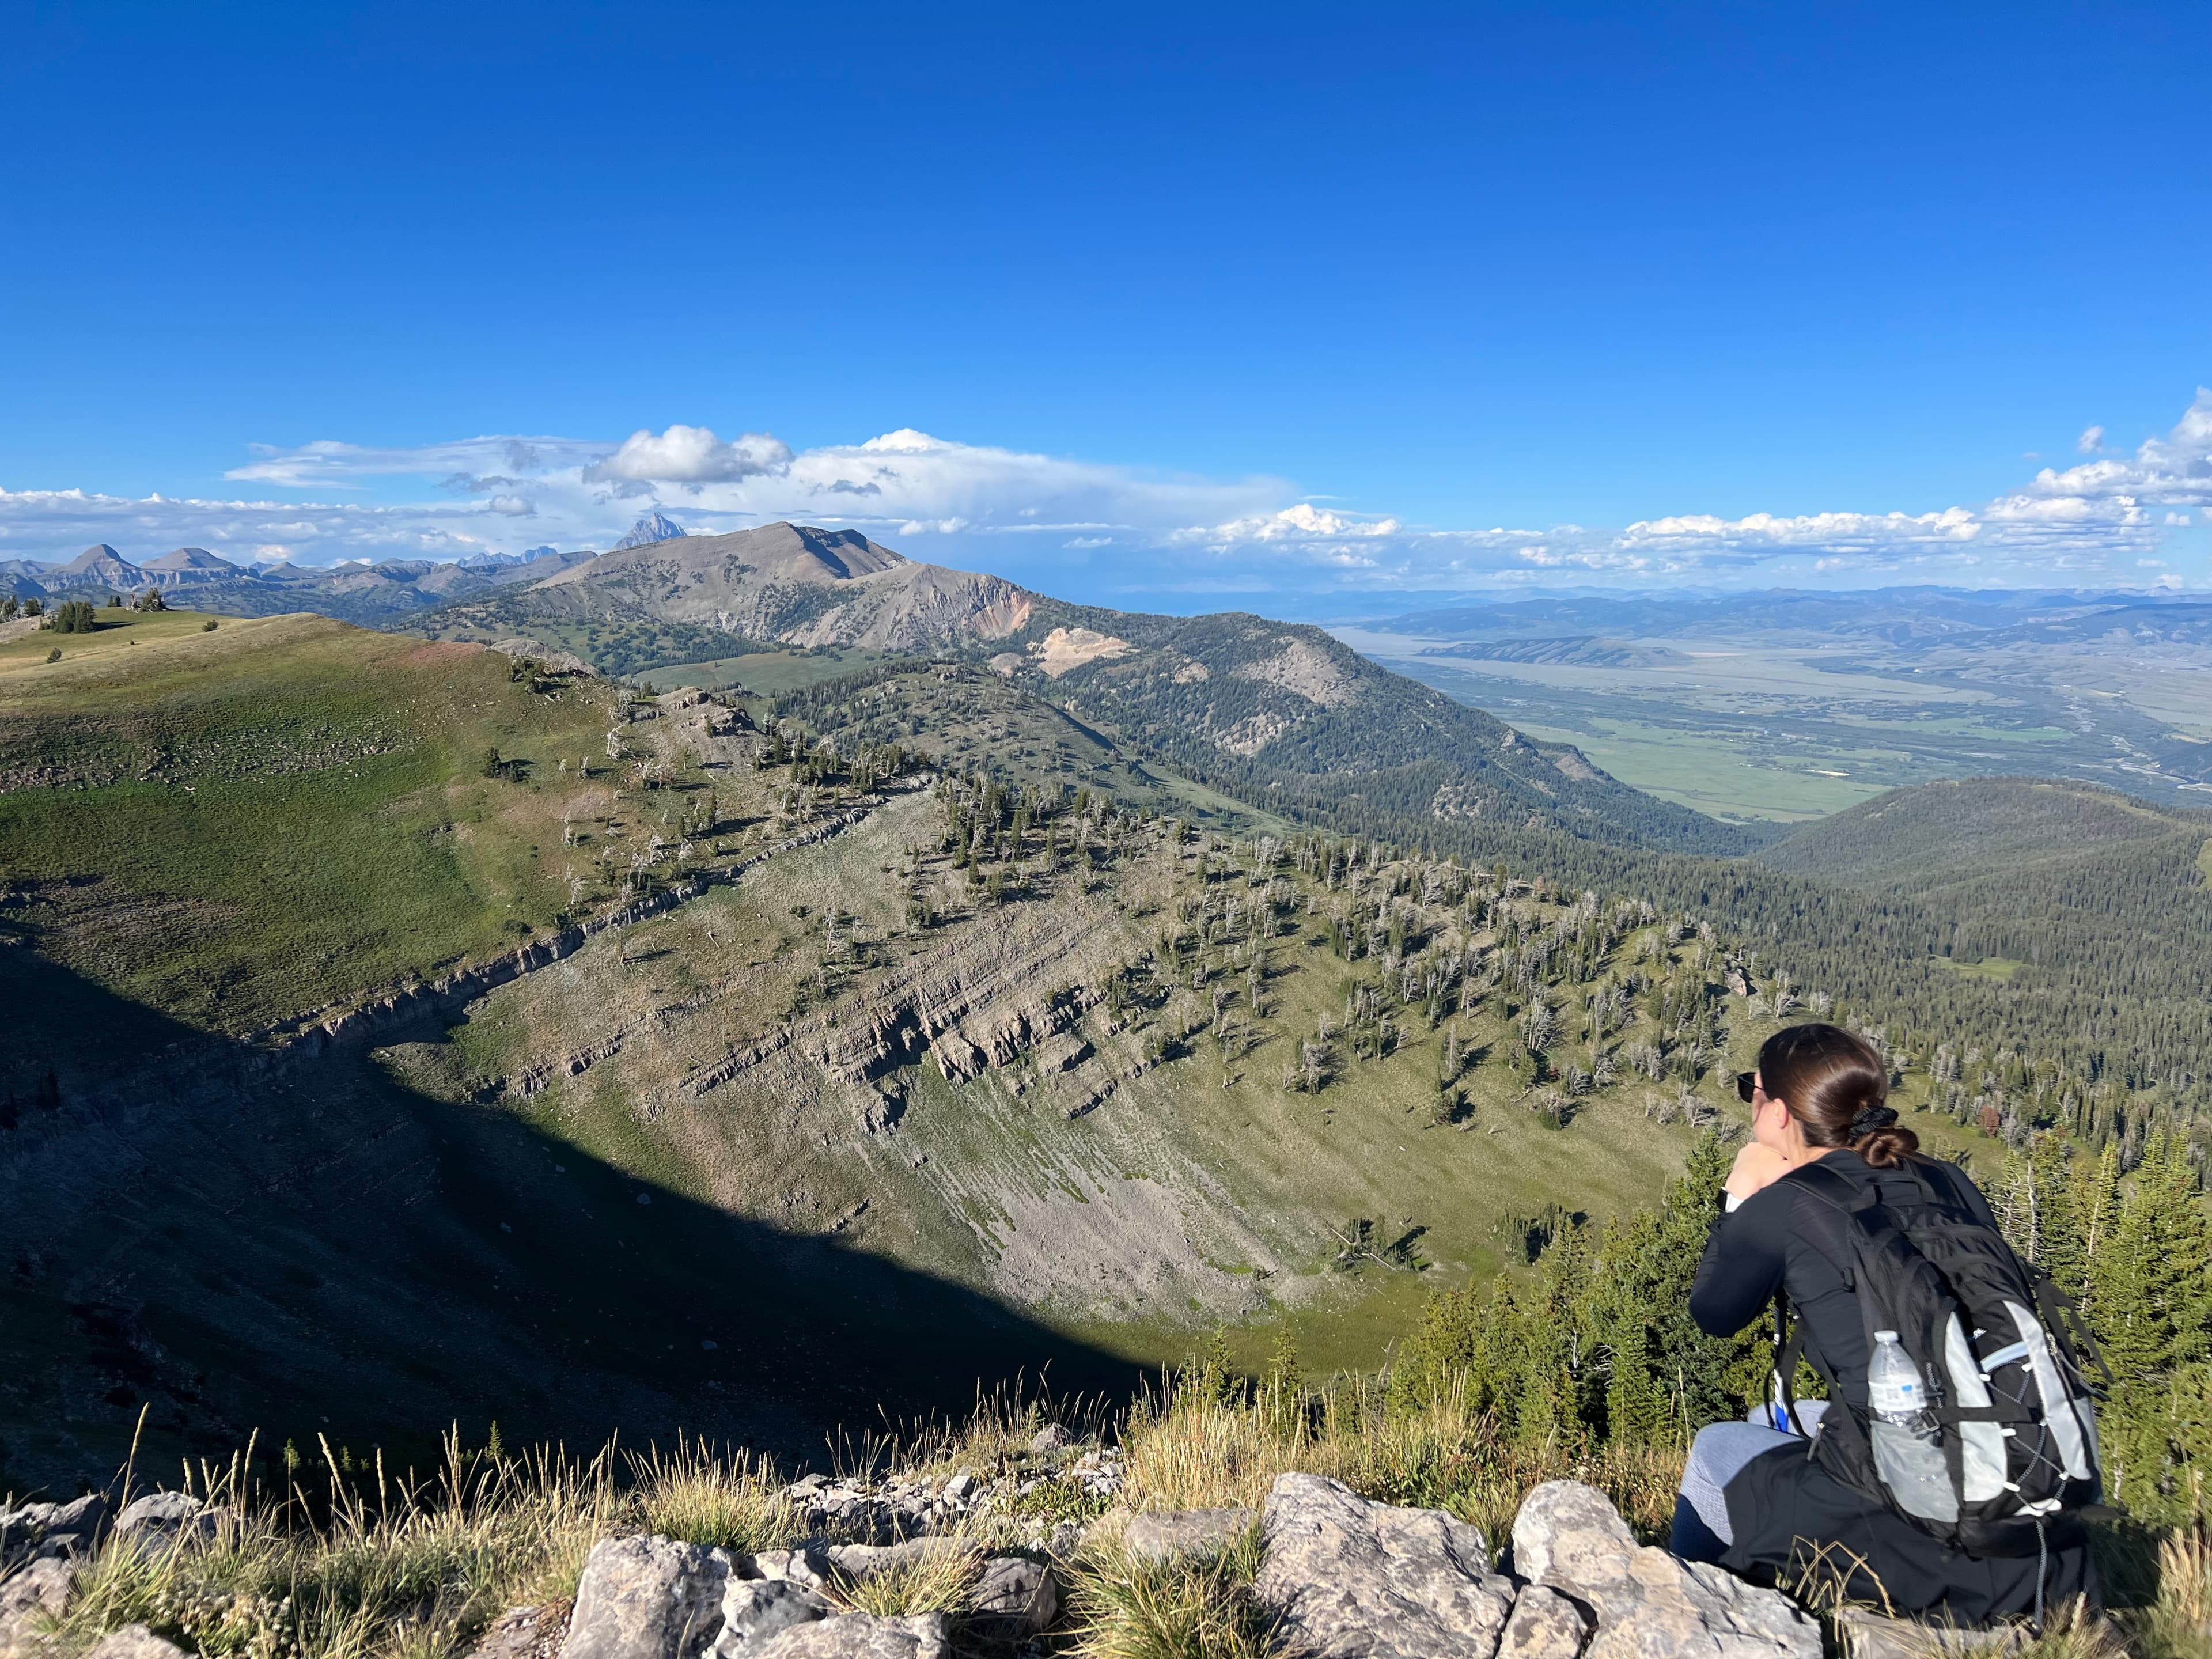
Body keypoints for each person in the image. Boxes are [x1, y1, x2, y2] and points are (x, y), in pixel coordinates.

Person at [1671, 1022, 2097, 1623]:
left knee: (1717, 1450)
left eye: (1753, 1090)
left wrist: (1739, 1195)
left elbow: (1714, 1314)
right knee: (1772, 1421)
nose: (1750, 1103)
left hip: (1927, 1529)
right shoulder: (1949, 1180)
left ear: (1780, 1114)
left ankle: (1692, 1618)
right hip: (2023, 1494)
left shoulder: (1786, 1204)